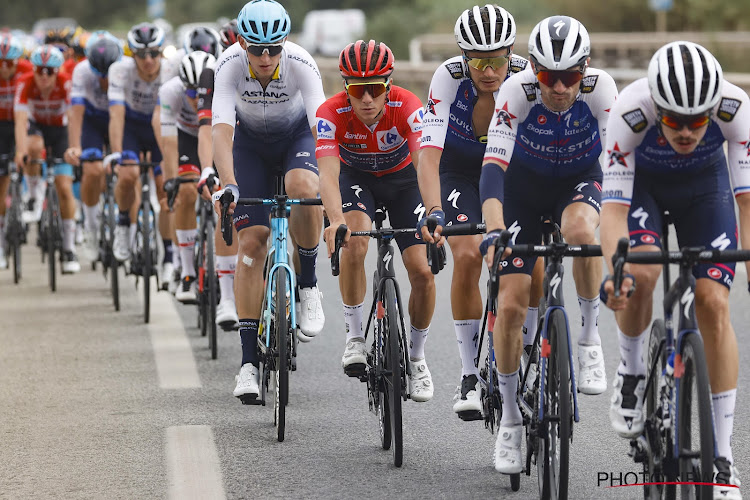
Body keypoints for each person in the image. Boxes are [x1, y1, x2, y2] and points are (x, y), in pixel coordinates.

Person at [600, 41, 750, 499]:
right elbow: (611, 210)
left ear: (712, 109)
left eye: (697, 122)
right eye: (674, 121)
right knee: (640, 276)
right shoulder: (630, 111)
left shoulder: (735, 108)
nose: (686, 132)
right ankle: (630, 371)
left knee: (713, 302)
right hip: (643, 190)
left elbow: (746, 200)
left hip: (706, 194)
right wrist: (616, 271)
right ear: (657, 107)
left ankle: (722, 458)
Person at [479, 16, 617, 473]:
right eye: (548, 77)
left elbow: (620, 167)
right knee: (513, 302)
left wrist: (624, 226)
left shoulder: (602, 90)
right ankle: (512, 422)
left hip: (579, 180)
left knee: (580, 234)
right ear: (533, 70)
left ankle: (590, 337)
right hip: (523, 189)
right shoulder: (515, 92)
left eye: (570, 77)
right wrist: (495, 228)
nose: (559, 88)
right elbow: (493, 168)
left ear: (586, 69)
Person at [418, 4, 543, 420]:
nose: (488, 71)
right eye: (478, 61)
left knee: (535, 257)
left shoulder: (529, 77)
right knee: (469, 254)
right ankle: (470, 374)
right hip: (461, 172)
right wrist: (433, 211)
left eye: (496, 60)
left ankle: (531, 350)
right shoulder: (448, 79)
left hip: (512, 171)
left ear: (511, 53)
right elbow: (430, 157)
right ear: (463, 56)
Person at [211, 0, 326, 401]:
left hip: (296, 139)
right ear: (241, 42)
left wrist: (331, 186)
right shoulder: (227, 65)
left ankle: (308, 284)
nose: (264, 57)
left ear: (285, 43)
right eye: (256, 48)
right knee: (252, 241)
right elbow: (222, 131)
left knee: (303, 189)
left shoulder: (301, 63)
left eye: (273, 48)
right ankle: (247, 364)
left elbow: (321, 129)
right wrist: (228, 183)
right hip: (250, 147)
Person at [318, 39, 434, 402]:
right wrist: (335, 220)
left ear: (388, 86)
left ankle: (416, 358)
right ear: (345, 88)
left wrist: (434, 211)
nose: (367, 99)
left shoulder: (408, 106)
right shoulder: (330, 113)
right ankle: (354, 337)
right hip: (356, 181)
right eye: (357, 90)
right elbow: (327, 171)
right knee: (353, 242)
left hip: (403, 183)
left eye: (374, 89)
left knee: (422, 271)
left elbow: (424, 161)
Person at [14, 44, 81, 273]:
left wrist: (74, 148)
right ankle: (33, 196)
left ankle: (70, 248)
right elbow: (21, 120)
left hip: (60, 131)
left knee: (64, 188)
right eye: (40, 70)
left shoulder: (65, 83)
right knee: (33, 146)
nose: (44, 76)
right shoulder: (25, 82)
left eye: (49, 71)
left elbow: (73, 118)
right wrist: (20, 152)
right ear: (33, 69)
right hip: (37, 127)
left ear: (57, 71)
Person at [108, 22, 168, 272]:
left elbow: (162, 116)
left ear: (162, 52)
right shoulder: (119, 70)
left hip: (161, 126)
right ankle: (123, 222)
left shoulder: (171, 70)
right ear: (132, 55)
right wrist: (116, 154)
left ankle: (170, 256)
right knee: (128, 173)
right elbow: (116, 115)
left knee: (166, 187)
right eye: (141, 55)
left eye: (154, 53)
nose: (148, 60)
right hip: (132, 126)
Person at [157, 51, 216, 303]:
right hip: (187, 139)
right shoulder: (170, 91)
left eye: (201, 92)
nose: (196, 98)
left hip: (217, 135)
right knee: (186, 191)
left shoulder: (226, 86)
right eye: (190, 92)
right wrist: (171, 181)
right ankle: (188, 274)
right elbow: (169, 143)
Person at [195, 20, 241, 330]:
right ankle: (227, 296)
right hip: (223, 140)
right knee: (225, 205)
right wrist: (207, 169)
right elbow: (205, 128)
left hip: (257, 144)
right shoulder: (213, 73)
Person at [65, 32, 123, 262]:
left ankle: (127, 221)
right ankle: (90, 225)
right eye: (100, 76)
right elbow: (75, 112)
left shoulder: (126, 67)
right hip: (93, 121)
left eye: (108, 75)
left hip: (120, 117)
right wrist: (74, 146)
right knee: (92, 170)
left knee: (129, 169)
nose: (104, 81)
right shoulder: (81, 71)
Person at [0, 33, 32, 269]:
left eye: (9, 63)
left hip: (23, 123)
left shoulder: (28, 70)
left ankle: (31, 194)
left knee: (31, 155)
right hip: (1, 125)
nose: (4, 68)